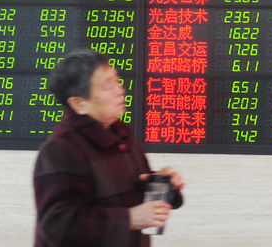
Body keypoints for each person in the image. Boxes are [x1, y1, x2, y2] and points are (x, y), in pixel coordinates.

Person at [33, 49, 184, 246]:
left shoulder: (120, 134)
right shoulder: (60, 149)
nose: (120, 90)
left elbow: (127, 194)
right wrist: (129, 218)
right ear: (79, 104)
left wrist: (163, 185)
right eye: (107, 86)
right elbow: (57, 224)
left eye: (117, 81)